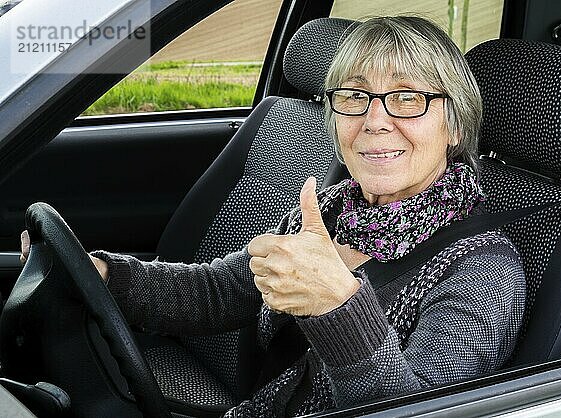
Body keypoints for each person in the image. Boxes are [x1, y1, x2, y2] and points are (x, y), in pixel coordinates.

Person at [21, 15, 526, 417]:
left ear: (455, 126)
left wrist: (341, 310)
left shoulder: (483, 270)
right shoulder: (330, 209)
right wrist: (102, 274)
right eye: (353, 96)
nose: (375, 120)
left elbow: (417, 411)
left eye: (408, 98)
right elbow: (220, 292)